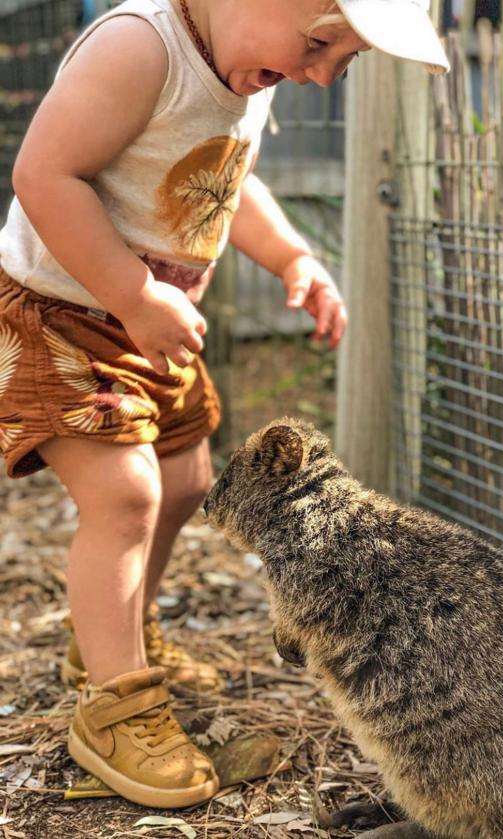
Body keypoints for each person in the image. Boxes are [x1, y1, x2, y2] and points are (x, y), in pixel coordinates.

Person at [0, 0, 449, 810]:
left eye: (341, 64)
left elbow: (225, 181)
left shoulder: (245, 66)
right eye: (318, 43)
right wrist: (134, 293)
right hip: (64, 316)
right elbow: (43, 175)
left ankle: (111, 637)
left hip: (150, 323)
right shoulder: (140, 49)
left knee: (183, 480)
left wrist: (294, 257)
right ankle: (113, 709)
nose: (318, 75)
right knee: (126, 495)